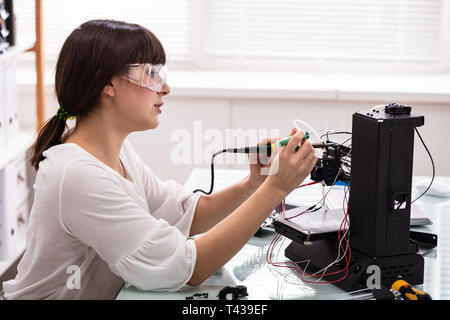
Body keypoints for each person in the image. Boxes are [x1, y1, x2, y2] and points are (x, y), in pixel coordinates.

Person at [1, 19, 317, 300]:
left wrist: (253, 184)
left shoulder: (115, 151)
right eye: (151, 74)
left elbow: (185, 214)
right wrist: (274, 190)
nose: (165, 88)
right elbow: (190, 267)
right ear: (107, 83)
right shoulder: (77, 174)